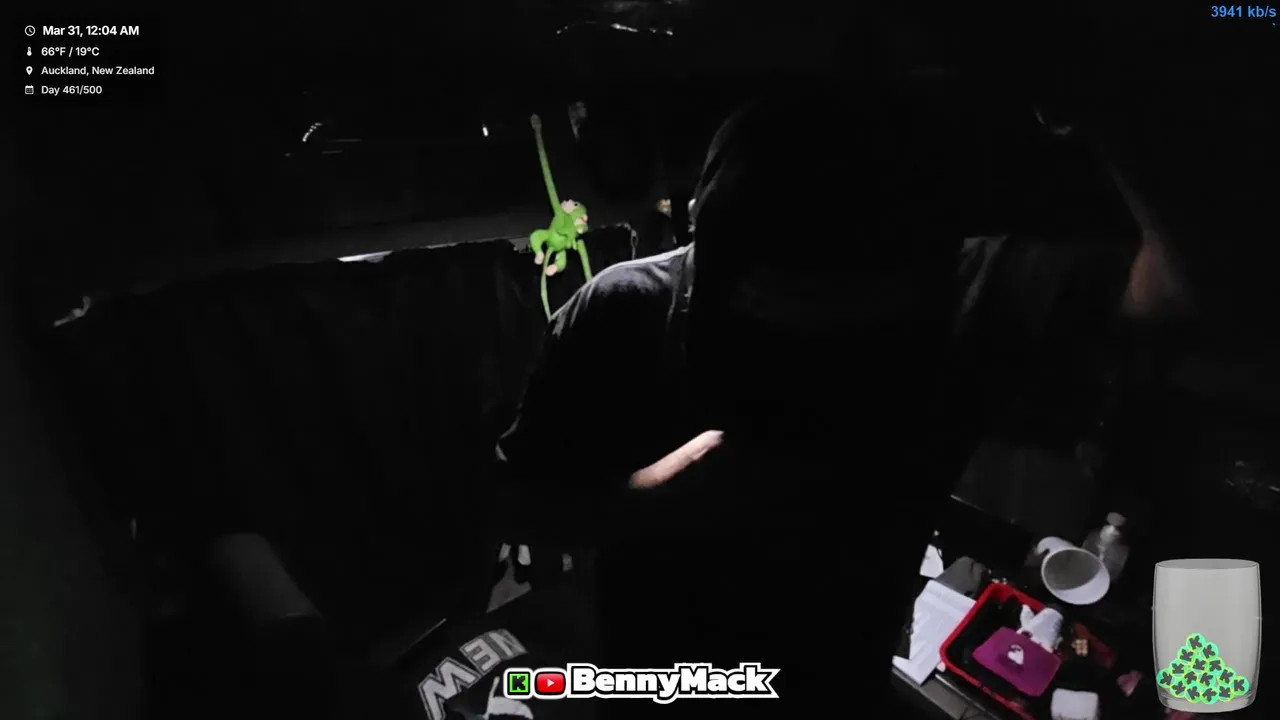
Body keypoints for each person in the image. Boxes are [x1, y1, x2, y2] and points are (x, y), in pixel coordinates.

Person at [493, 80, 961, 717]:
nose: (806, 351)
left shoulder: (909, 315)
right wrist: (645, 495)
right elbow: (516, 502)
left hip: (830, 670)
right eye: (772, 309)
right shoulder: (616, 314)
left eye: (841, 316)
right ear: (709, 244)